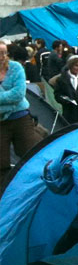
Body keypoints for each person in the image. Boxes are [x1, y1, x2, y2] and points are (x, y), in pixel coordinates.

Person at [0, 42, 42, 176]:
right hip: (1, 123)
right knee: (1, 163)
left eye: (4, 52)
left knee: (30, 155)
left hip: (20, 118)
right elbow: (13, 96)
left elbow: (19, 93)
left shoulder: (16, 67)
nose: (2, 56)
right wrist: (11, 101)